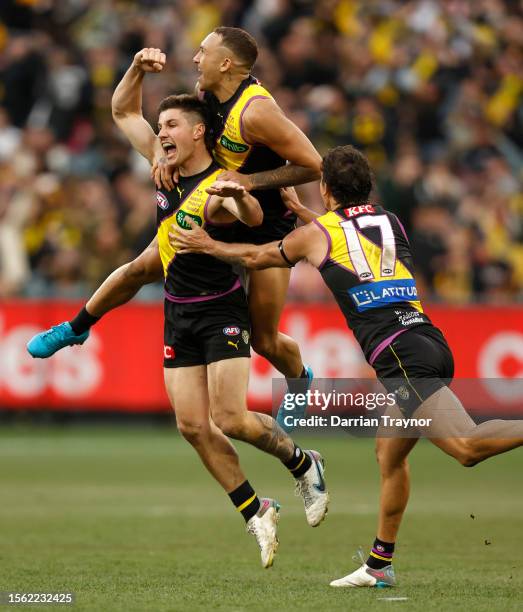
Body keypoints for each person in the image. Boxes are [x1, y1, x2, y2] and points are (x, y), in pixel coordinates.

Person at [171, 144, 523, 586]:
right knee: (389, 454)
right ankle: (379, 565)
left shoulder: (318, 232)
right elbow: (350, 242)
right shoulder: (389, 221)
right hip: (426, 337)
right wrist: (305, 216)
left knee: (465, 446)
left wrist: (208, 243)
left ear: (324, 188)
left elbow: (259, 258)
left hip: (400, 353)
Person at [40, 49, 329, 569]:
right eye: (160, 126)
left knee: (232, 416)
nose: (161, 131)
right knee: (192, 426)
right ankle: (255, 509)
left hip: (222, 309)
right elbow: (123, 113)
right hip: (178, 311)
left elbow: (252, 209)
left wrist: (236, 192)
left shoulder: (218, 177)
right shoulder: (163, 165)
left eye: (170, 124)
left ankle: (304, 460)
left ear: (198, 134)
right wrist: (133, 69)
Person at [26, 28, 322, 427]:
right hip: (214, 207)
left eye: (204, 51)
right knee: (142, 267)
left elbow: (313, 164)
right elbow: (127, 115)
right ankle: (76, 327)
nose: (195, 58)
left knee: (264, 338)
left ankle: (299, 380)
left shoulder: (256, 111)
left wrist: (251, 183)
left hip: (264, 225)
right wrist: (165, 149)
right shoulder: (205, 98)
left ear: (226, 63)